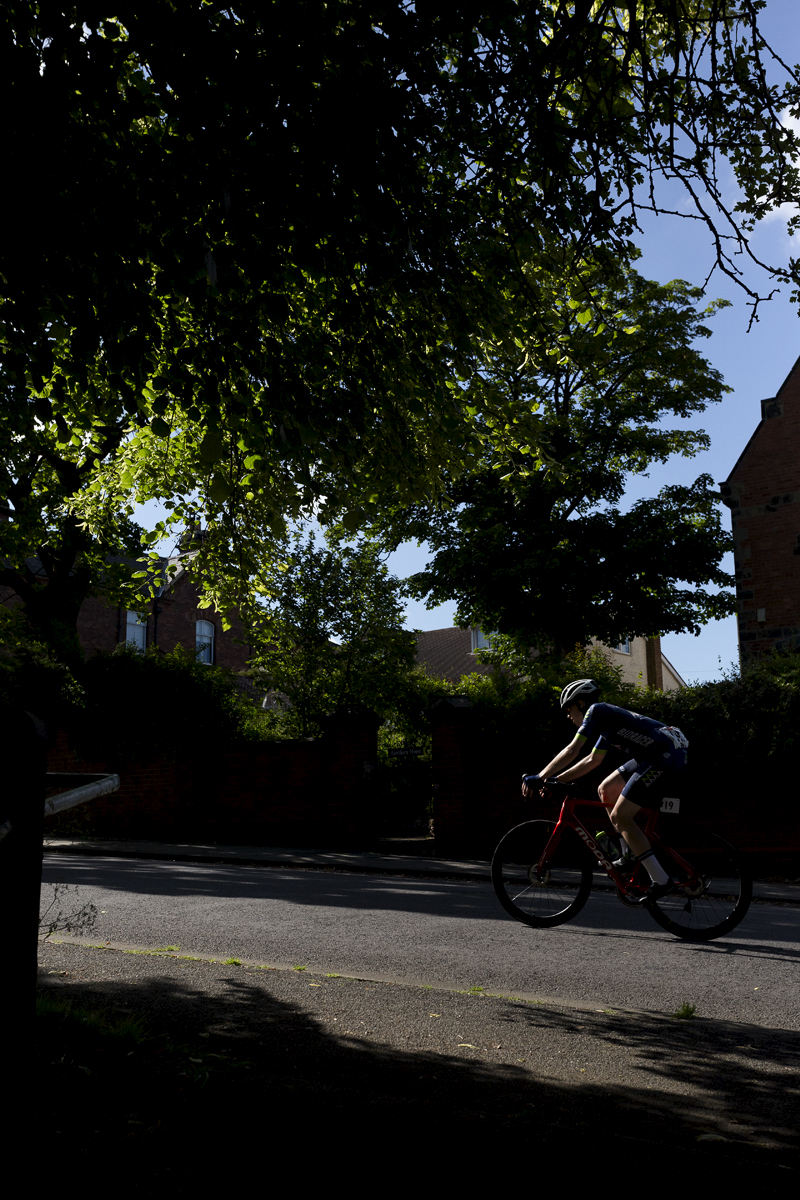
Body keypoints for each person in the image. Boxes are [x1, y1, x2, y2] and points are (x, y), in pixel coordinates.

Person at [522, 678, 689, 902]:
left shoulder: (596, 710)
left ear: (581, 703)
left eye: (569, 709)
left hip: (664, 756)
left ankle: (661, 880)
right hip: (655, 753)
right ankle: (629, 854)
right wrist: (556, 781)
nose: (568, 715)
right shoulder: (606, 722)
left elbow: (573, 750)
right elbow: (592, 760)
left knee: (621, 815)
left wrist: (541, 776)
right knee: (606, 789)